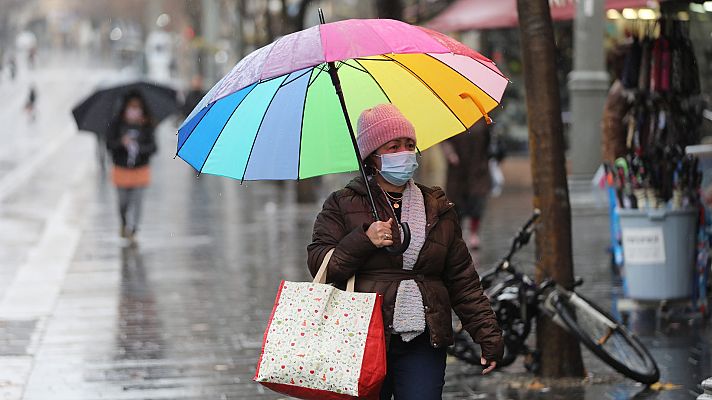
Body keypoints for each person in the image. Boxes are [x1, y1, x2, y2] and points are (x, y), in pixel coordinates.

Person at [307, 104, 503, 400]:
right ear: (373, 156)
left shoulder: (436, 205)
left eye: (409, 144)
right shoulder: (342, 203)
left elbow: (462, 280)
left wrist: (488, 335)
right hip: (362, 337)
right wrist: (364, 239)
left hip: (425, 336)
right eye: (393, 146)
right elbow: (320, 264)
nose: (405, 152)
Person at [106, 91, 157, 244]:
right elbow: (109, 145)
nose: (134, 111)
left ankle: (133, 229)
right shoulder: (116, 124)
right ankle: (123, 223)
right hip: (121, 170)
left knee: (137, 202)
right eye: (131, 107)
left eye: (137, 107)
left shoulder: (147, 125)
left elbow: (153, 148)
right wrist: (122, 143)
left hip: (140, 170)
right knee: (123, 203)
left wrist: (139, 148)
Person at [441, 120, 492, 249]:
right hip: (457, 170)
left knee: (477, 200)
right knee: (457, 203)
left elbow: (489, 142)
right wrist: (450, 154)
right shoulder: (452, 121)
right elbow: (445, 140)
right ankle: (459, 234)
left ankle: (474, 234)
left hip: (478, 168)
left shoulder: (482, 121)